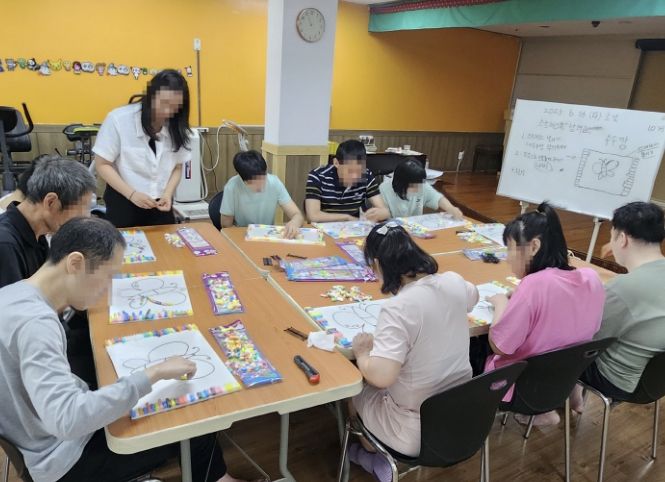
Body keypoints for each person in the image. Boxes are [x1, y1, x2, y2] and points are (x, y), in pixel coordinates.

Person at [0, 217, 249, 482]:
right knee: (192, 420)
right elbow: (67, 420)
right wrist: (154, 373)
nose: (108, 290)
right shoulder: (37, 325)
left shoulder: (13, 294)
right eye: (107, 277)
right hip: (65, 460)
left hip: (40, 437)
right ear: (75, 263)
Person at [348, 222, 476, 481]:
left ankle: (372, 455)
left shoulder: (398, 308)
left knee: (353, 388)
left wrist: (362, 354)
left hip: (415, 432)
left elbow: (381, 377)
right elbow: (473, 297)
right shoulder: (453, 281)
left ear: (377, 264)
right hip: (463, 417)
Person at [484, 202, 605, 426]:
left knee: (475, 347)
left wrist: (501, 303)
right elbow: (591, 327)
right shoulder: (592, 278)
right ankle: (545, 411)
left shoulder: (533, 286)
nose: (508, 258)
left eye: (510, 248)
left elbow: (500, 346)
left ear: (533, 246)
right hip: (563, 383)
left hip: (523, 389)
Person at [571, 202, 665, 409]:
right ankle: (573, 397)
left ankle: (543, 410)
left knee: (554, 340)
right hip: (655, 379)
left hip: (617, 380)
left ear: (622, 239)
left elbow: (587, 338)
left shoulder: (623, 289)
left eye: (612, 236)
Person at [94, 69, 191, 228]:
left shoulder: (177, 126)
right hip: (124, 201)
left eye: (175, 107)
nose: (168, 111)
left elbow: (178, 167)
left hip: (161, 204)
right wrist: (132, 194)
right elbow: (102, 164)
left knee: (163, 242)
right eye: (164, 103)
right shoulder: (119, 119)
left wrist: (167, 194)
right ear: (151, 96)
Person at [0, 155, 95, 288]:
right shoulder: (6, 245)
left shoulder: (39, 232)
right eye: (82, 207)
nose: (85, 217)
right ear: (51, 202)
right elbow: (16, 300)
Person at [220, 150, 304, 238]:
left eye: (263, 178)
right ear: (242, 179)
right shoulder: (232, 187)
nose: (260, 184)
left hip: (267, 236)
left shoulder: (274, 183)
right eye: (254, 182)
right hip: (242, 235)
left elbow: (297, 215)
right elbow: (226, 225)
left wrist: (294, 222)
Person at [305, 140, 390, 223]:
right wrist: (346, 218)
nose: (355, 176)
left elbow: (385, 212)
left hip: (355, 227)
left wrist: (379, 213)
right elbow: (313, 216)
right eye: (350, 171)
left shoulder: (366, 175)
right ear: (336, 163)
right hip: (325, 227)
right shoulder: (318, 176)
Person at [379, 158, 463, 219]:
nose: (417, 188)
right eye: (412, 185)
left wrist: (451, 208)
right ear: (401, 183)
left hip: (415, 228)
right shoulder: (384, 189)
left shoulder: (420, 184)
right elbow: (382, 216)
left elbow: (437, 198)